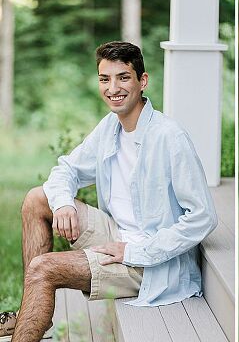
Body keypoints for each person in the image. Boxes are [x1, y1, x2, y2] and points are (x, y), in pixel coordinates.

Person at [1, 41, 217, 342]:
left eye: (123, 77)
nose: (113, 88)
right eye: (105, 79)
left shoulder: (169, 137)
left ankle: (27, 327)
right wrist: (63, 204)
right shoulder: (110, 127)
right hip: (116, 234)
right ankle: (35, 314)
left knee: (43, 268)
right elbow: (67, 169)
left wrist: (134, 251)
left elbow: (203, 217)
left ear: (143, 81)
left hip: (150, 262)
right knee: (38, 198)